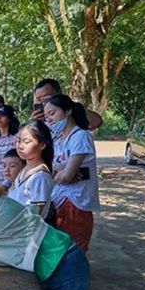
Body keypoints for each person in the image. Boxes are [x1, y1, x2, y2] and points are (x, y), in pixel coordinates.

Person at [45, 94, 100, 252]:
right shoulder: (59, 139)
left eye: (53, 113)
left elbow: (68, 175)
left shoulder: (80, 136)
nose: (49, 119)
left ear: (68, 111)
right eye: (47, 115)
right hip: (59, 200)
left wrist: (59, 174)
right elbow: (55, 169)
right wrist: (60, 173)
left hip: (76, 203)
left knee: (73, 250)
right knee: (60, 249)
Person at [9, 119, 55, 219]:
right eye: (18, 141)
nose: (20, 146)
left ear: (42, 145)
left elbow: (34, 215)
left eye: (26, 142)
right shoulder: (25, 169)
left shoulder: (40, 176)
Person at [31, 78, 103, 129]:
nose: (43, 101)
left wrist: (65, 104)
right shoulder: (39, 117)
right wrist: (34, 123)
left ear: (59, 93)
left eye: (45, 96)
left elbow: (96, 122)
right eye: (39, 99)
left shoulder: (71, 109)